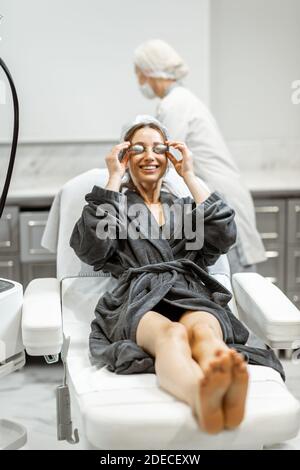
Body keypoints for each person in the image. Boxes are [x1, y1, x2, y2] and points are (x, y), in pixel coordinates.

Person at [69, 117, 284, 435]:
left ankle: (224, 381)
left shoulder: (185, 207)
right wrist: (113, 178)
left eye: (158, 149)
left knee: (205, 334)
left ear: (169, 158)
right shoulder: (117, 206)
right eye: (138, 149)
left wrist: (190, 176)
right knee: (171, 336)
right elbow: (92, 248)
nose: (149, 156)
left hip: (189, 291)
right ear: (126, 157)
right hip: (138, 298)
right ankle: (201, 395)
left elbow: (224, 235)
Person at [134, 39, 266, 274]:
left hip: (219, 195)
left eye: (139, 74)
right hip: (216, 192)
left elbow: (166, 157)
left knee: (240, 281)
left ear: (149, 72)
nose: (139, 82)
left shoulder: (175, 104)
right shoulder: (180, 101)